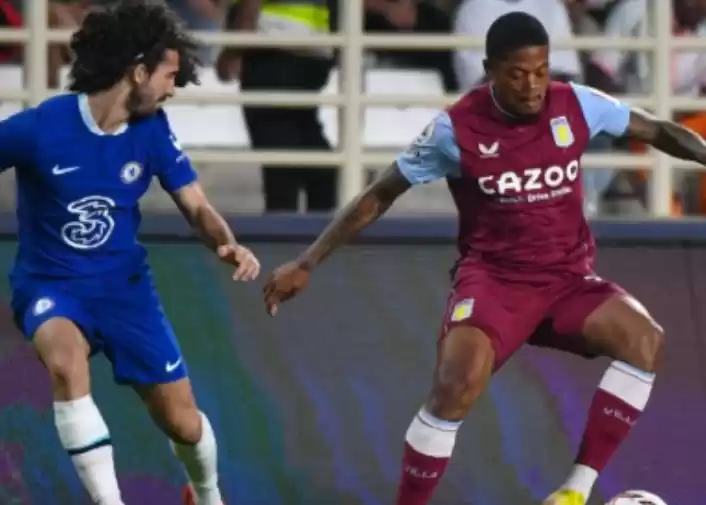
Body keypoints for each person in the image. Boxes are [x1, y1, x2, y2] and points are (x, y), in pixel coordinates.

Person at [263, 11, 706, 505]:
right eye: (518, 74)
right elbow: (379, 193)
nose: (533, 86)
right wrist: (308, 261)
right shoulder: (455, 129)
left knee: (645, 340)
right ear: (490, 69)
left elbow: (658, 130)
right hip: (495, 284)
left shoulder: (578, 103)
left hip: (567, 280)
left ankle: (573, 493)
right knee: (456, 385)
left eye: (541, 71)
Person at [0, 2, 260, 505]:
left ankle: (206, 495)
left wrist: (225, 242)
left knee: (183, 424)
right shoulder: (40, 127)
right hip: (50, 285)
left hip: (125, 293)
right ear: (138, 71)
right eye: (169, 76)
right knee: (65, 363)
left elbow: (197, 205)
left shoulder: (152, 130)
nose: (173, 88)